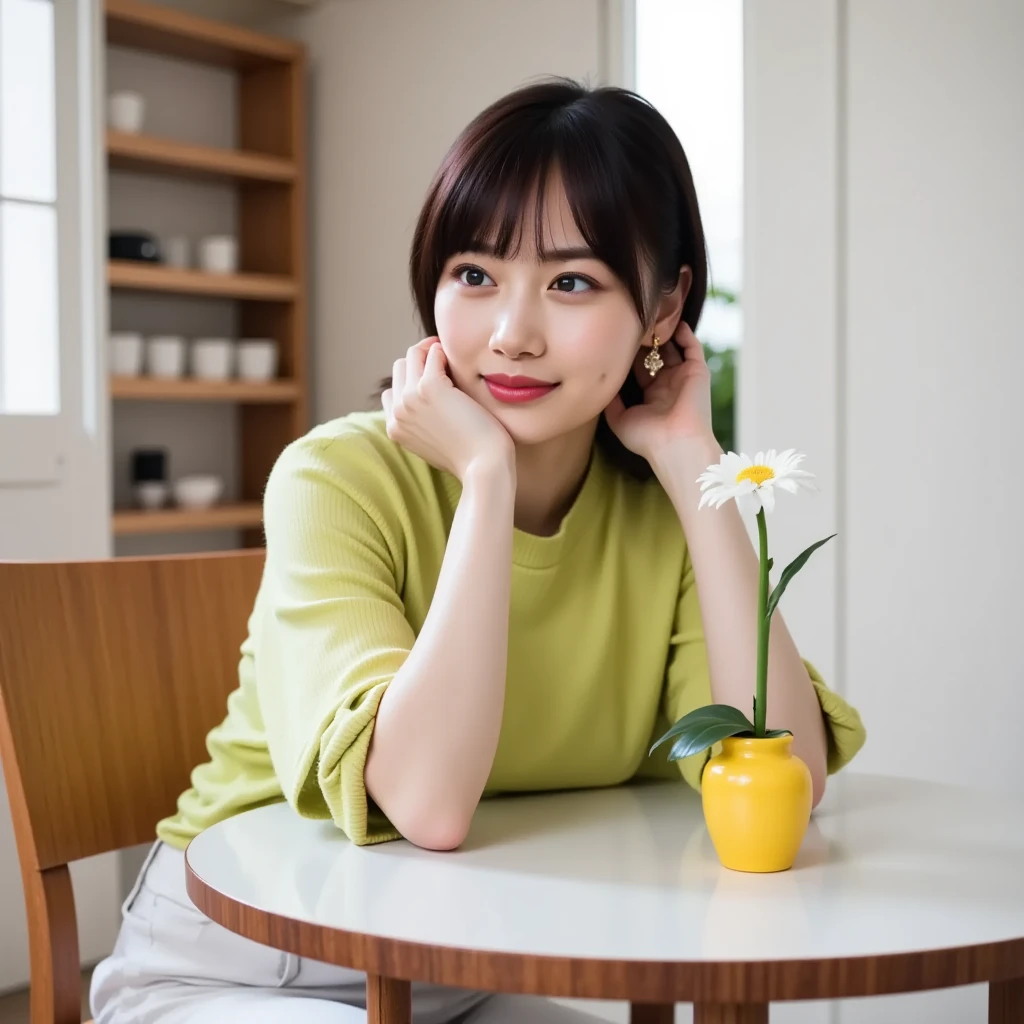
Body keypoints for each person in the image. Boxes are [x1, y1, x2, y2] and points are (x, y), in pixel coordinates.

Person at [91, 78, 865, 1023]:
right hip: (245, 963)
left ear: (663, 313)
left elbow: (789, 786)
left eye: (572, 282)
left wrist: (696, 466)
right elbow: (429, 805)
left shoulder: (659, 510)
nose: (511, 334)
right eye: (475, 275)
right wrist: (486, 481)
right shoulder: (335, 481)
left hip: (461, 975)